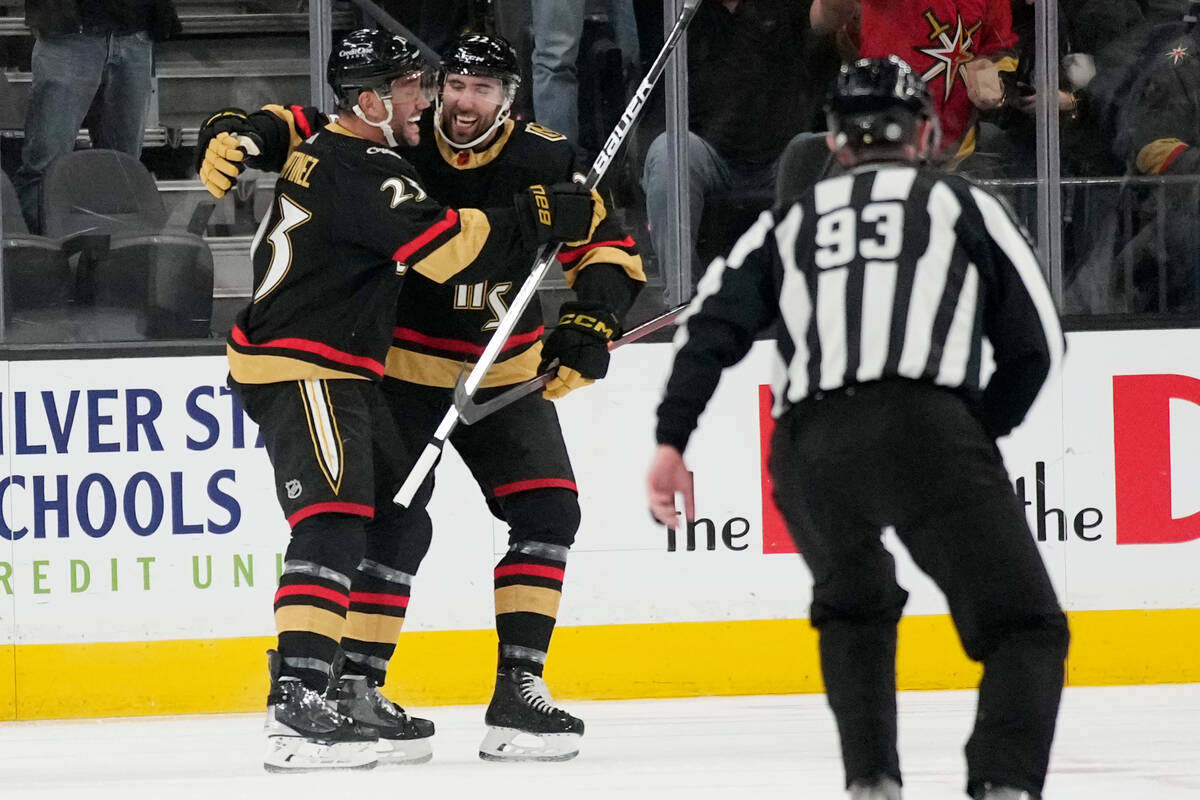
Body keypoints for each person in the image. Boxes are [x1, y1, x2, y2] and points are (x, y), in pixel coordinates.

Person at [197, 31, 644, 762]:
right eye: (452, 86)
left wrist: (591, 322)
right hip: (400, 372)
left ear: (509, 99)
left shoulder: (542, 154)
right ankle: (349, 689)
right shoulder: (393, 141)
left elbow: (607, 248)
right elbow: (309, 126)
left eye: (482, 90)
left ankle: (518, 694)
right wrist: (240, 127)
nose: (459, 103)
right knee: (386, 525)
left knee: (550, 508)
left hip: (501, 369)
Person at [646, 56, 1070, 800]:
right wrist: (972, 432)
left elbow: (708, 333)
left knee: (855, 604)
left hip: (807, 444)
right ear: (927, 133)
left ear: (834, 144)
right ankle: (1002, 786)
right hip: (927, 426)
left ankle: (871, 783)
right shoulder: (959, 203)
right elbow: (1038, 347)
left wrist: (671, 443)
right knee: (1024, 626)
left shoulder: (787, 221)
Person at [639, 0, 839, 305]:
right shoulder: (680, 12)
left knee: (820, 149)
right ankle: (682, 302)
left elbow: (831, 13)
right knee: (668, 152)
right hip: (710, 156)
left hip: (784, 157)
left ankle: (822, 296)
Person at [14, 0, 181, 233]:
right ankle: (40, 260)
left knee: (123, 167)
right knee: (45, 167)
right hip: (68, 32)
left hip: (134, 30)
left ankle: (116, 258)